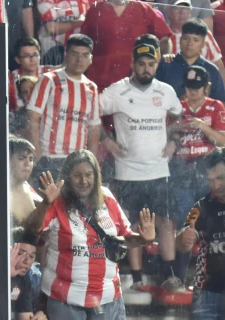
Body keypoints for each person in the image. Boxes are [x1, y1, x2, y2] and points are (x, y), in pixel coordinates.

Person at [35, 149, 154, 320]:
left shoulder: (107, 198)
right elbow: (32, 229)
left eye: (88, 174)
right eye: (77, 175)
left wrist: (142, 239)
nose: (83, 180)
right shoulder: (56, 202)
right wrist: (43, 205)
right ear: (68, 177)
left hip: (107, 296)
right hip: (65, 295)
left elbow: (123, 239)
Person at [99, 37, 183, 284]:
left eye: (151, 64)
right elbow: (90, 112)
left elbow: (180, 116)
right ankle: (136, 277)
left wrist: (173, 142)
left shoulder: (166, 91)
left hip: (159, 169)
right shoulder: (117, 91)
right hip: (127, 172)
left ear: (157, 65)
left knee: (166, 222)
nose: (147, 68)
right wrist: (107, 140)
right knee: (132, 223)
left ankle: (169, 274)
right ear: (133, 63)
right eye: (142, 63)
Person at [26, 34, 103, 182]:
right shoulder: (49, 80)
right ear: (66, 54)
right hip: (49, 158)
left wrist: (91, 161)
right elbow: (32, 117)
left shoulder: (91, 88)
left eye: (85, 55)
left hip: (77, 161)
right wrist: (38, 155)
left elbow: (94, 128)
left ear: (90, 59)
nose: (79, 60)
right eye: (74, 54)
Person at [177, 147, 225, 320]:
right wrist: (185, 238)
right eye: (211, 180)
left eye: (221, 178)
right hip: (207, 291)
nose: (216, 185)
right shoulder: (201, 206)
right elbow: (182, 237)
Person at [168, 65, 225, 230]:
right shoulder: (176, 107)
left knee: (211, 214)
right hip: (182, 169)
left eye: (197, 87)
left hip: (208, 169)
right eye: (189, 87)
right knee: (185, 217)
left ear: (206, 87)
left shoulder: (216, 106)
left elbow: (222, 140)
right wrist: (174, 128)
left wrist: (203, 126)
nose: (192, 91)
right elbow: (163, 136)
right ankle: (188, 252)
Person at [80, 0, 173, 92]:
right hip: (100, 79)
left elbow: (165, 38)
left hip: (135, 79)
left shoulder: (144, 9)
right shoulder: (96, 9)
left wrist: (157, 63)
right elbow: (82, 42)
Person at [159, 12, 225, 103]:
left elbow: (220, 103)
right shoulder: (166, 65)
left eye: (196, 40)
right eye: (186, 38)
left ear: (203, 43)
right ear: (180, 40)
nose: (190, 44)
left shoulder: (212, 70)